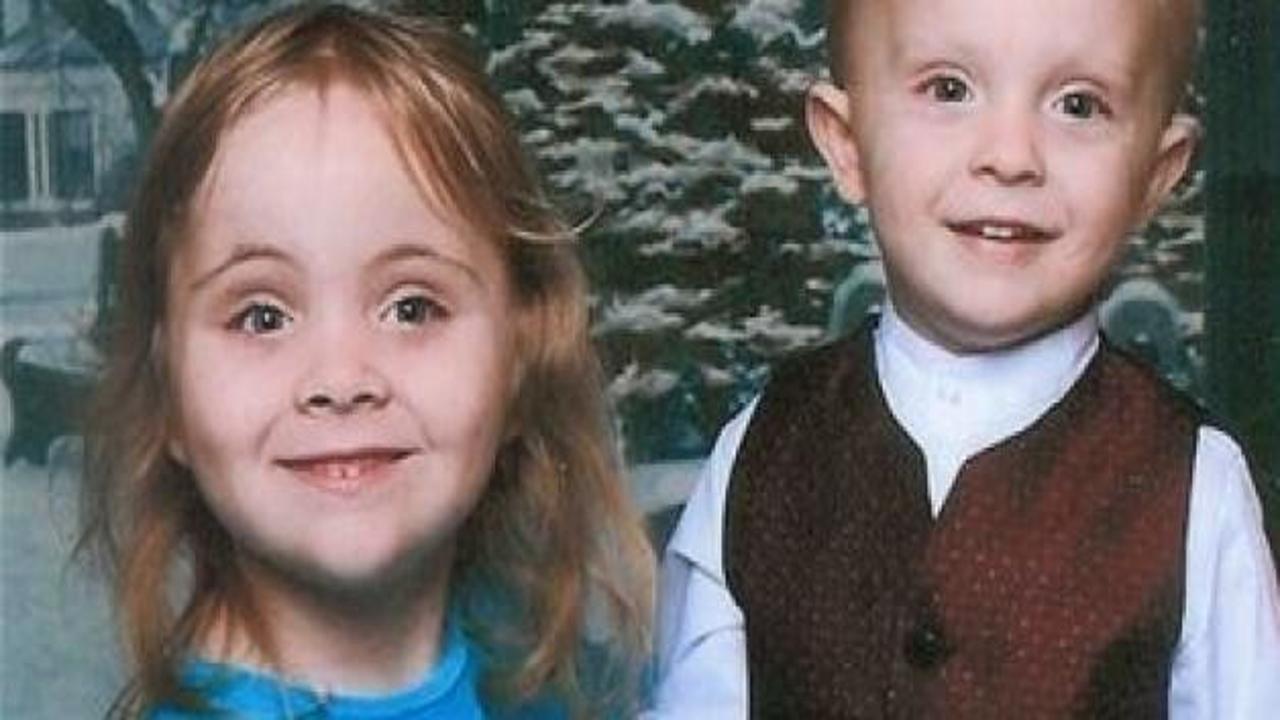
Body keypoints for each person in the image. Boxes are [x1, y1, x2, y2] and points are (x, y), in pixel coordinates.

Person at [647, 0, 1280, 716]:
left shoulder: (1195, 487)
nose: (1010, 157)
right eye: (948, 89)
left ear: (1155, 175)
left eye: (1078, 105)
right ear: (846, 143)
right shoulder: (763, 447)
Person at [78, 5, 653, 717]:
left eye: (412, 308)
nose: (341, 379)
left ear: (521, 358)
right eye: (262, 316)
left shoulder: (571, 690)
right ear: (168, 391)